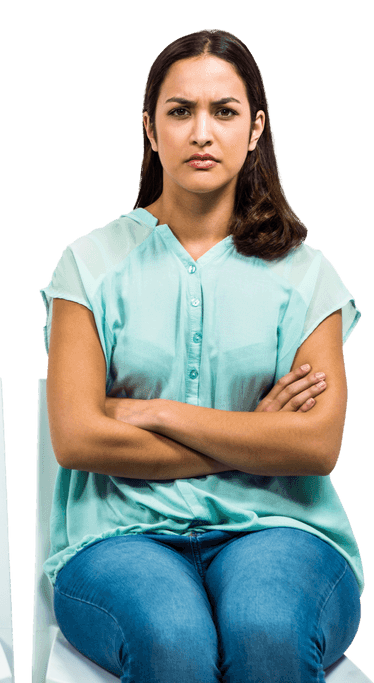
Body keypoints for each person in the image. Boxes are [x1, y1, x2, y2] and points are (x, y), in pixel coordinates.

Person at [39, 28, 362, 683]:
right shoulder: (89, 266)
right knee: (173, 638)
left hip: (282, 530)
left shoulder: (306, 277)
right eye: (180, 111)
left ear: (256, 128)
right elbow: (77, 437)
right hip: (118, 537)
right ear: (151, 130)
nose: (201, 132)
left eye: (224, 111)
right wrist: (255, 434)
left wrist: (152, 411)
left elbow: (315, 446)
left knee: (267, 632)